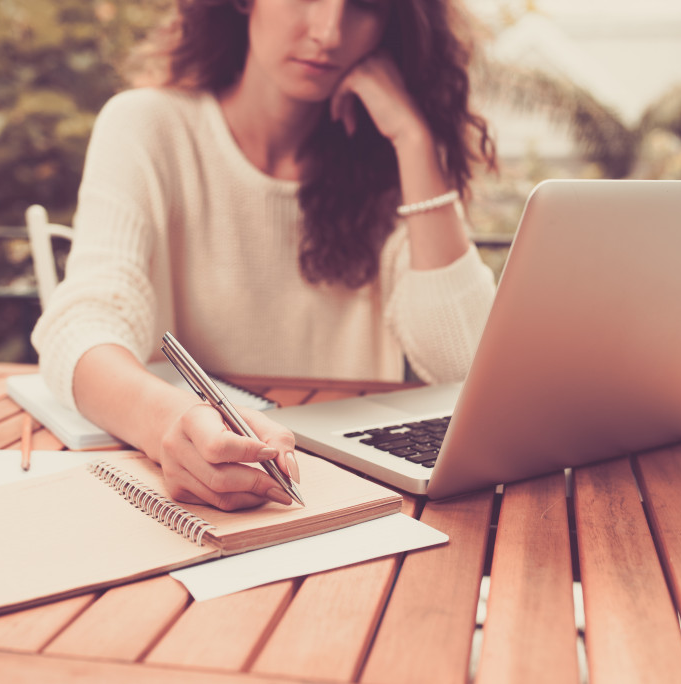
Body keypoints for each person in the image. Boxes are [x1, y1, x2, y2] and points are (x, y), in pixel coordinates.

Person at [31, 0, 497, 511]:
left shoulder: (393, 161)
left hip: (345, 494)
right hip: (190, 488)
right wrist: (167, 420)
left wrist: (412, 138)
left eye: (364, 5)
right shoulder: (147, 126)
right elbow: (81, 326)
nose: (329, 31)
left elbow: (468, 364)